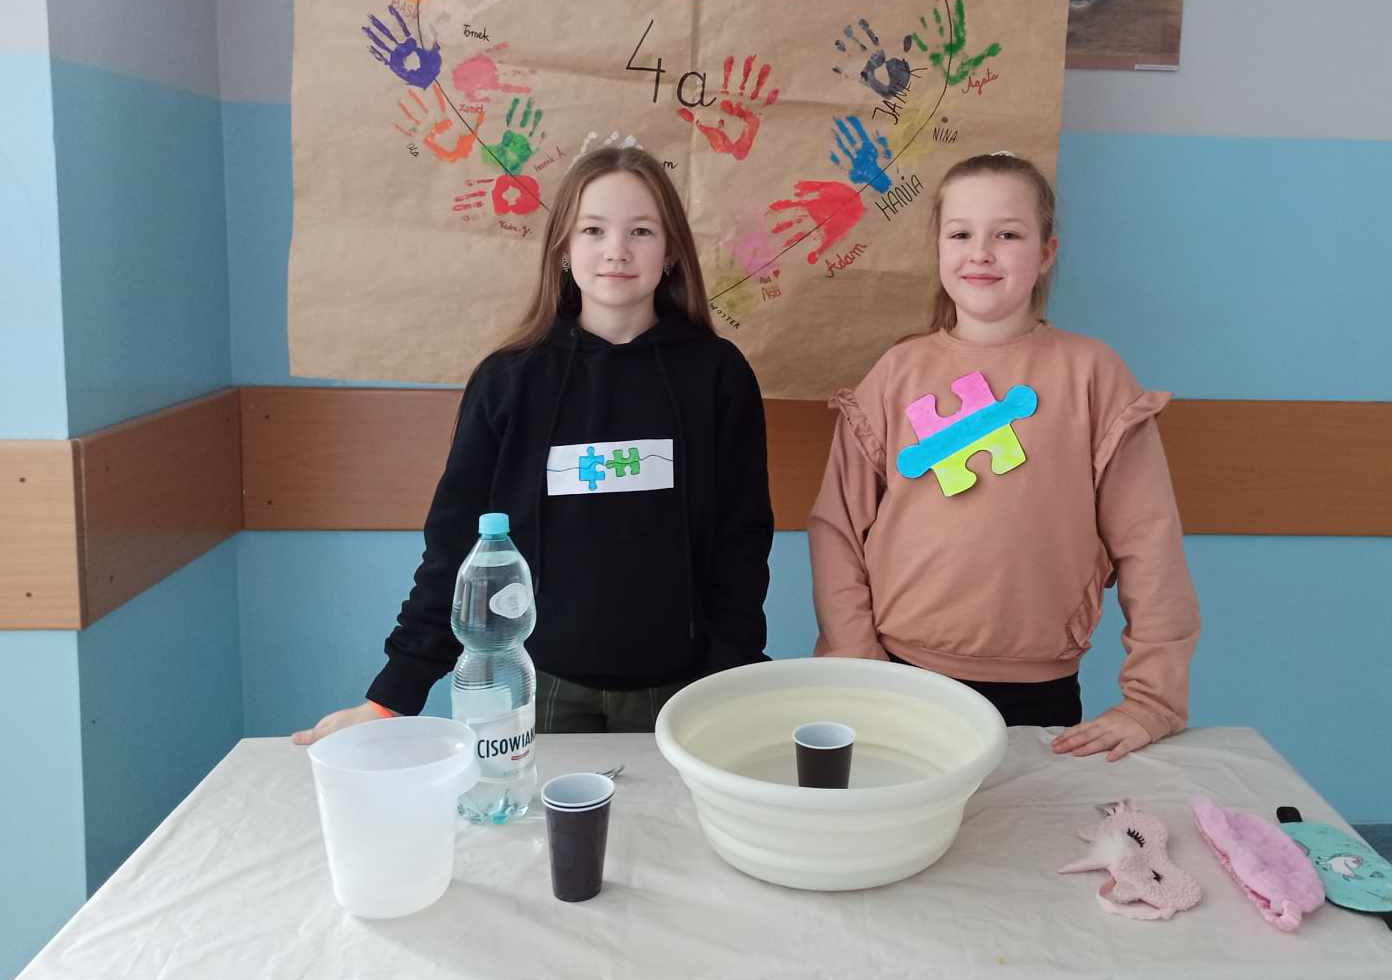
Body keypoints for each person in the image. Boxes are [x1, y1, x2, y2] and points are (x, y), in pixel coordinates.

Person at [294, 146, 772, 743]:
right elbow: (455, 546)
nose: (616, 250)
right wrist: (392, 696)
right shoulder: (509, 380)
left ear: (671, 250)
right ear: (563, 248)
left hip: (685, 689)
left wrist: (731, 678)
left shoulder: (718, 376)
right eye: (593, 230)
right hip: (536, 685)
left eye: (641, 231)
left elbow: (741, 545)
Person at [808, 151, 1199, 761]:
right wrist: (857, 656)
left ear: (1045, 253)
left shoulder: (1092, 374)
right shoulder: (896, 373)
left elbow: (1149, 543)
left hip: (1038, 690)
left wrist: (1153, 700)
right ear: (938, 249)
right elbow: (837, 528)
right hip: (896, 674)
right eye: (961, 234)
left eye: (1008, 235)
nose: (981, 253)